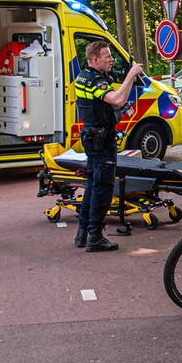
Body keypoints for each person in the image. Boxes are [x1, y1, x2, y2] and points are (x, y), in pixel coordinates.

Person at [73, 40, 145, 252]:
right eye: (107, 56)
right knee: (102, 188)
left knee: (92, 186)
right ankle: (95, 236)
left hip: (93, 137)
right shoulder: (95, 80)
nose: (111, 59)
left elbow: (116, 102)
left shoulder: (86, 76)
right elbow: (115, 99)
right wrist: (131, 74)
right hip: (101, 140)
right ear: (95, 59)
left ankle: (83, 233)